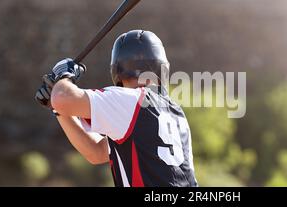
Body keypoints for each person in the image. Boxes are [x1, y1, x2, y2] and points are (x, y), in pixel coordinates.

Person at [35, 30, 198, 187]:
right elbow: (96, 152)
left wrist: (62, 76)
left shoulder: (131, 100)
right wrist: (59, 110)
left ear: (118, 70)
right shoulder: (174, 111)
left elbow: (63, 97)